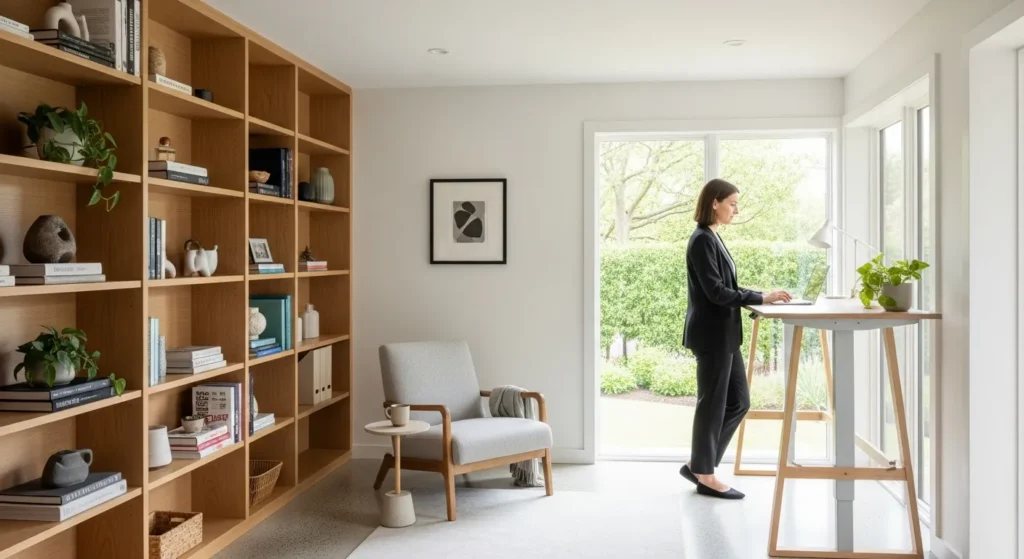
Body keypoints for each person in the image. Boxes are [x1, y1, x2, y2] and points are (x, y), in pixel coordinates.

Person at [678, 178, 791, 499]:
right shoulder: (701, 239)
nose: (736, 210)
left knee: (739, 402)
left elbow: (725, 288)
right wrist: (760, 297)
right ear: (714, 202)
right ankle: (705, 472)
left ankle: (700, 464)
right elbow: (716, 292)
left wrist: (757, 299)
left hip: (725, 335)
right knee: (711, 405)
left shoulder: (712, 237)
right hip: (711, 336)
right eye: (732, 203)